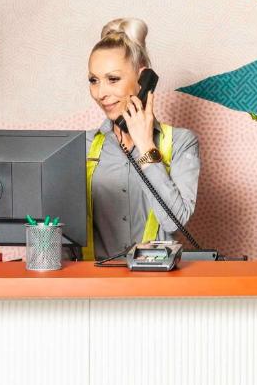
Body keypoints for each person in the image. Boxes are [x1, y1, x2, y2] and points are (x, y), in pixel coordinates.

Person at [84, 17, 200, 260]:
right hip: (95, 289)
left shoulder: (181, 143)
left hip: (156, 288)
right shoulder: (82, 147)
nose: (101, 93)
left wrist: (146, 146)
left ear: (143, 79)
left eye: (112, 79)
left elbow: (174, 222)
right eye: (94, 80)